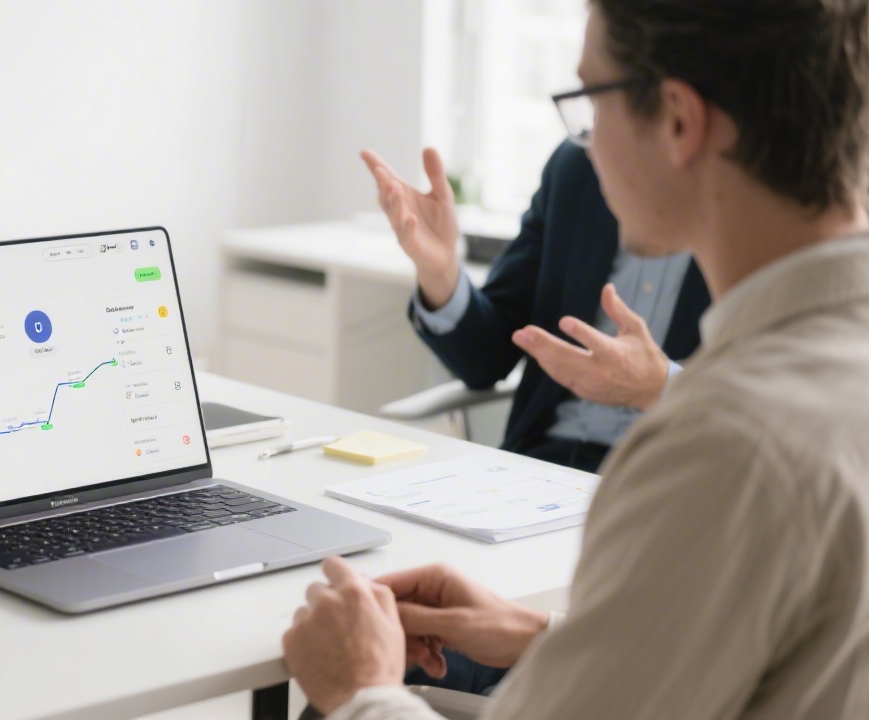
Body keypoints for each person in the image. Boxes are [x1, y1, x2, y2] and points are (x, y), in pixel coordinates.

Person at [284, 1, 869, 718]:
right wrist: (541, 635)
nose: (584, 132)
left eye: (591, 97)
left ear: (679, 122)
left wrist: (360, 694)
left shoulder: (720, 445)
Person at [362, 139, 710, 474]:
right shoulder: (577, 165)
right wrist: (440, 272)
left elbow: (761, 394)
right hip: (539, 463)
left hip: (675, 476)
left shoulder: (744, 191)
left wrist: (662, 386)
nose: (591, 127)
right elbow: (486, 357)